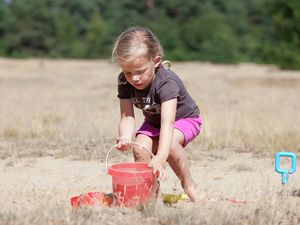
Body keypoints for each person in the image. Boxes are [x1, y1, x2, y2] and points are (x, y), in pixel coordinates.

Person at [112, 26, 203, 202]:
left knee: (168, 145)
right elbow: (127, 116)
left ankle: (190, 186)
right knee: (139, 148)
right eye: (128, 72)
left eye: (140, 72)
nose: (134, 78)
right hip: (154, 122)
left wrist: (160, 157)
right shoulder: (124, 81)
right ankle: (150, 195)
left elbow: (167, 124)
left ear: (156, 61)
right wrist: (124, 136)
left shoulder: (166, 82)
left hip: (184, 120)